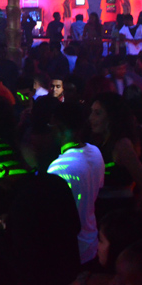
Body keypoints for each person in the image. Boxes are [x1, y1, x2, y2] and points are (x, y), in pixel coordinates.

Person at [47, 103, 105, 265]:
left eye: (51, 125)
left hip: (71, 248)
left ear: (59, 127)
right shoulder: (95, 153)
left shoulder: (59, 167)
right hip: (92, 241)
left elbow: (54, 214)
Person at [89, 93, 142, 218]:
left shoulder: (121, 145)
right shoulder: (102, 142)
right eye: (91, 112)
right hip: (104, 214)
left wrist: (132, 219)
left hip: (117, 213)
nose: (91, 118)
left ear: (112, 116)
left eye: (97, 113)